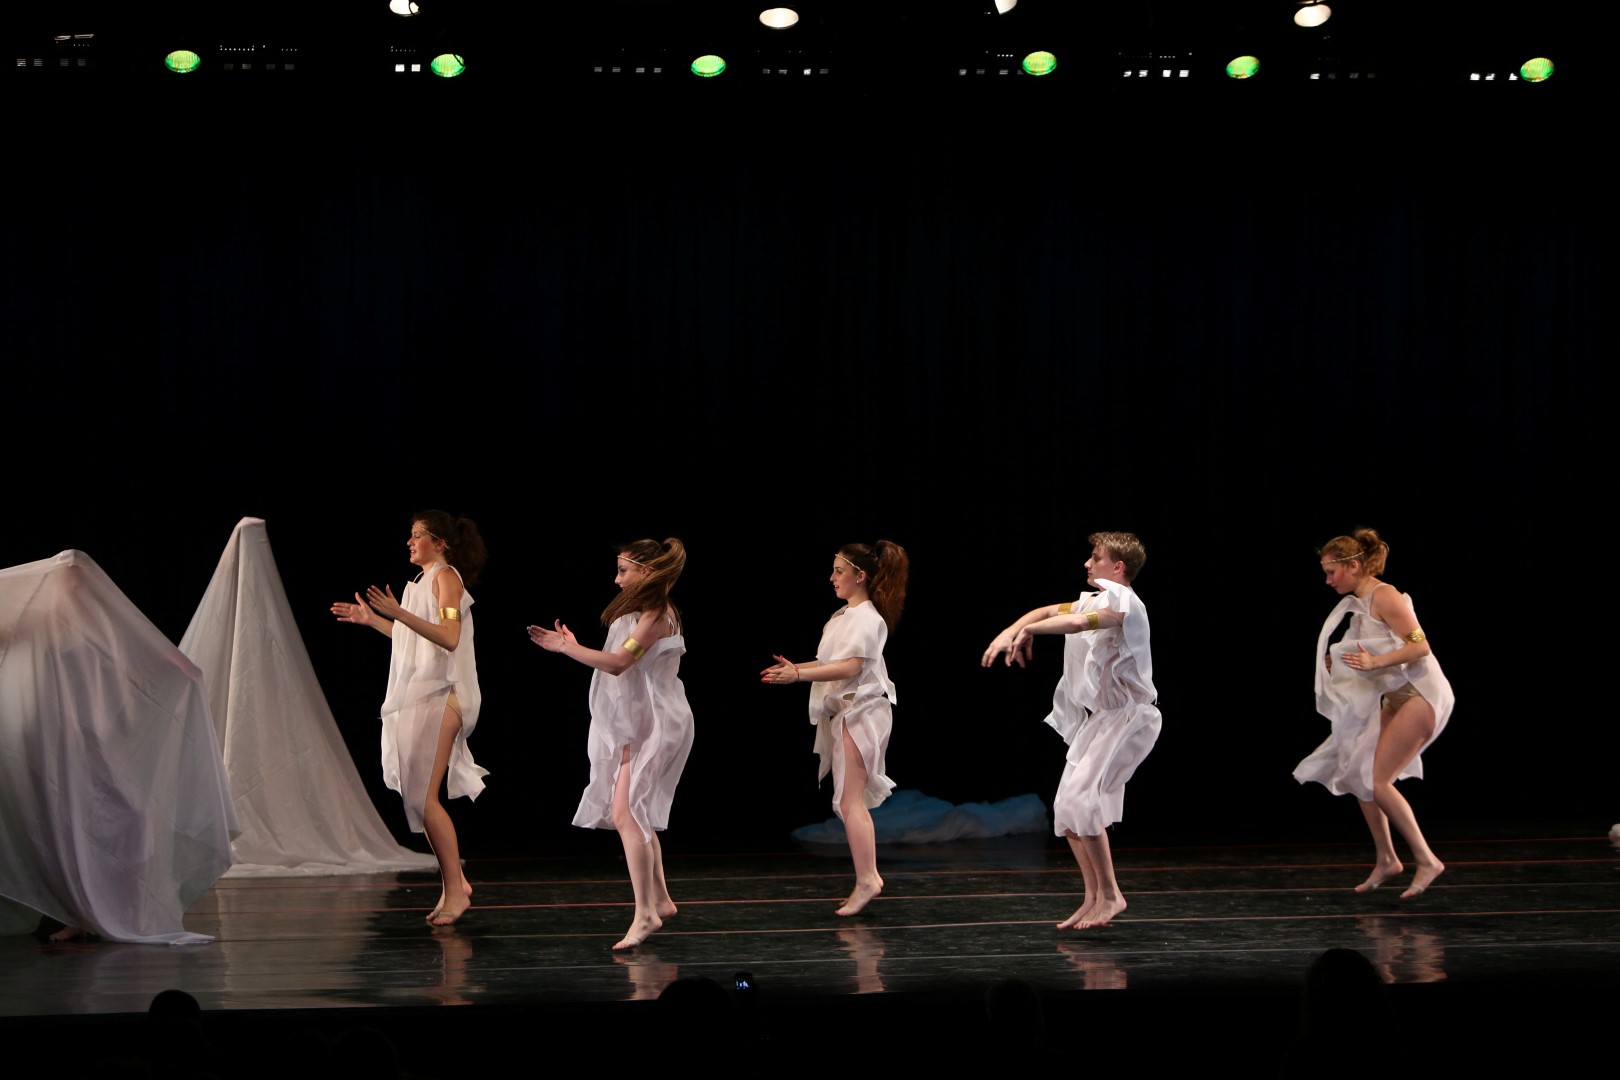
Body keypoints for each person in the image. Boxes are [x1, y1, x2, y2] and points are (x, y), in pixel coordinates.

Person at [981, 532, 1160, 930]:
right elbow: (1047, 610)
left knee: (1083, 801)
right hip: (1103, 720)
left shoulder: (1125, 603)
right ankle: (1094, 896)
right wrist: (1012, 629)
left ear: (1118, 567)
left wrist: (1032, 632)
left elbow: (1078, 623)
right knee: (1067, 807)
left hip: (1130, 718)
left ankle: (1111, 895)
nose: (1086, 563)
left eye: (1095, 557)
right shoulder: (1096, 599)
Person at [530, 539, 694, 950]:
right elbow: (620, 662)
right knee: (635, 813)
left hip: (657, 723)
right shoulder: (643, 613)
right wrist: (575, 646)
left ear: (646, 571)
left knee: (626, 814)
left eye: (624, 570)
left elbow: (620, 663)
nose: (617, 579)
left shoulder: (656, 616)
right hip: (641, 722)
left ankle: (646, 913)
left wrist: (567, 648)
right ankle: (660, 900)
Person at [332, 511, 488, 927]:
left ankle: (456, 890)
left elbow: (449, 638)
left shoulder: (446, 578)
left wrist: (399, 614)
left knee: (425, 799)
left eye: (417, 535)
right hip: (425, 692)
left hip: (446, 693)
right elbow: (415, 640)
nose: (409, 541)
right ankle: (455, 884)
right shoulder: (421, 582)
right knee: (418, 798)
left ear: (440, 543)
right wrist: (375, 620)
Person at [1295, 528, 1453, 898]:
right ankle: (1387, 859)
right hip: (1398, 698)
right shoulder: (1361, 604)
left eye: (1331, 571)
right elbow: (1369, 649)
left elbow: (1420, 645)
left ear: (1352, 566)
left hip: (1422, 695)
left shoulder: (1385, 596)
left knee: (1379, 781)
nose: (1328, 580)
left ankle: (1427, 859)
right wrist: (1342, 660)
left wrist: (1374, 662)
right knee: (1359, 772)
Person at [762, 540, 910, 917]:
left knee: (850, 801)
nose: (832, 577)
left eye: (839, 571)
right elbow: (829, 661)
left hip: (863, 711)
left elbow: (850, 667)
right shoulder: (844, 616)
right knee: (847, 801)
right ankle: (866, 878)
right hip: (850, 711)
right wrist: (795, 669)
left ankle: (868, 879)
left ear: (860, 576)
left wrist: (798, 676)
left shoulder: (868, 618)